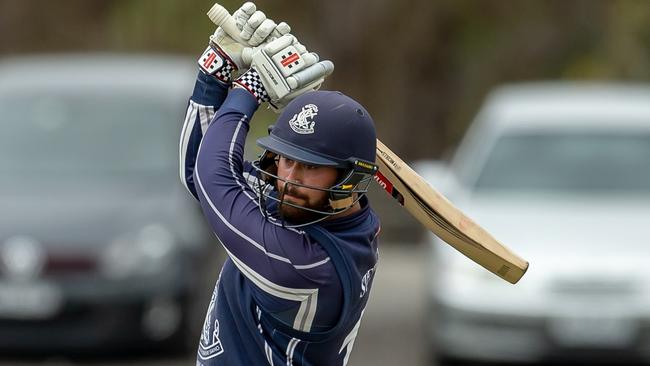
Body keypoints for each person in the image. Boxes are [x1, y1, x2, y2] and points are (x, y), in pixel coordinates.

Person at [180, 3, 381, 365]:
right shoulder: (314, 208)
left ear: (351, 180)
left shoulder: (309, 270)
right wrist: (217, 67)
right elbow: (199, 168)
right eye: (287, 159)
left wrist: (250, 87)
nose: (288, 179)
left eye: (309, 167)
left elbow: (213, 178)